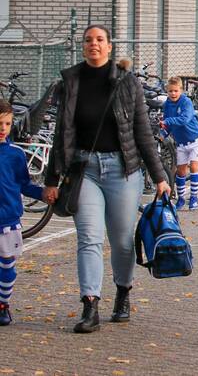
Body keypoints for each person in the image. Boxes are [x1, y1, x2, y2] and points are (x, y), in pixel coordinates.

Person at [42, 24, 171, 333]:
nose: (94, 45)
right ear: (83, 46)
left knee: (123, 240)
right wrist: (52, 179)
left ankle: (123, 293)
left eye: (100, 40)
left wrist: (160, 177)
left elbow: (142, 132)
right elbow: (61, 133)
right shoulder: (71, 81)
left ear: (110, 47)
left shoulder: (127, 84)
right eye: (88, 40)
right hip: (84, 169)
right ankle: (90, 305)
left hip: (122, 170)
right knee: (89, 237)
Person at [0, 99, 50, 326]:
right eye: (0, 123)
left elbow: (23, 184)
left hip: (7, 220)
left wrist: (44, 194)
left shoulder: (15, 155)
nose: (3, 129)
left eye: (8, 124)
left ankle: (3, 305)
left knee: (7, 265)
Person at [161, 77, 198, 210]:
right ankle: (180, 198)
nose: (173, 94)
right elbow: (167, 122)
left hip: (195, 139)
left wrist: (168, 122)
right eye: (170, 91)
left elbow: (184, 119)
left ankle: (194, 197)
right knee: (180, 171)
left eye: (176, 91)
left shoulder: (186, 102)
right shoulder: (167, 104)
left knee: (193, 166)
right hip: (181, 142)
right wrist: (163, 133)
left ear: (181, 90)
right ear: (167, 91)